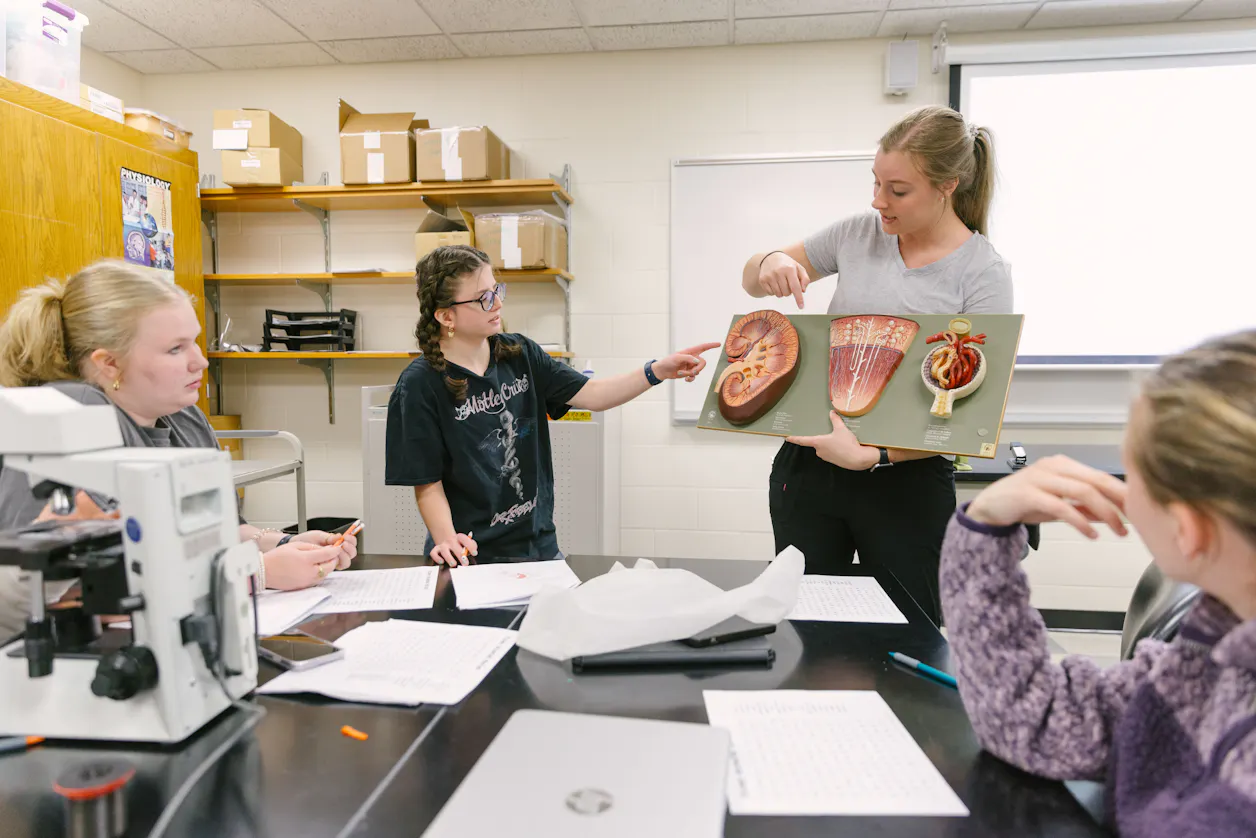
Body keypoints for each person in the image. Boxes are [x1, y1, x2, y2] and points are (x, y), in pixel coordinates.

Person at [942, 329, 1256, 835]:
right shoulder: (1210, 658)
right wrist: (985, 526)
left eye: (1131, 475)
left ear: (1187, 529)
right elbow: (1037, 717)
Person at [739, 105, 1012, 623]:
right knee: (808, 626)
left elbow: (971, 413)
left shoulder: (983, 272)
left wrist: (877, 456)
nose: (878, 201)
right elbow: (753, 279)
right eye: (876, 182)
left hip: (906, 483)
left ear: (947, 186)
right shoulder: (858, 234)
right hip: (810, 469)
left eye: (898, 190)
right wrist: (769, 261)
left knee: (910, 631)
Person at [0, 261, 357, 639]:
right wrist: (258, 574)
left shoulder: (184, 417)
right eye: (175, 349)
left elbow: (220, 528)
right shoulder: (63, 426)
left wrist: (284, 544)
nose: (200, 361)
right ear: (109, 364)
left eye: (195, 341)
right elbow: (44, 596)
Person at [386, 245, 716, 566]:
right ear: (446, 316)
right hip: (470, 556)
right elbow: (427, 483)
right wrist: (446, 538)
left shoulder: (520, 354)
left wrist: (657, 371)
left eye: (497, 290)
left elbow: (594, 394)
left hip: (538, 549)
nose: (497, 303)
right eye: (484, 298)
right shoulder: (419, 385)